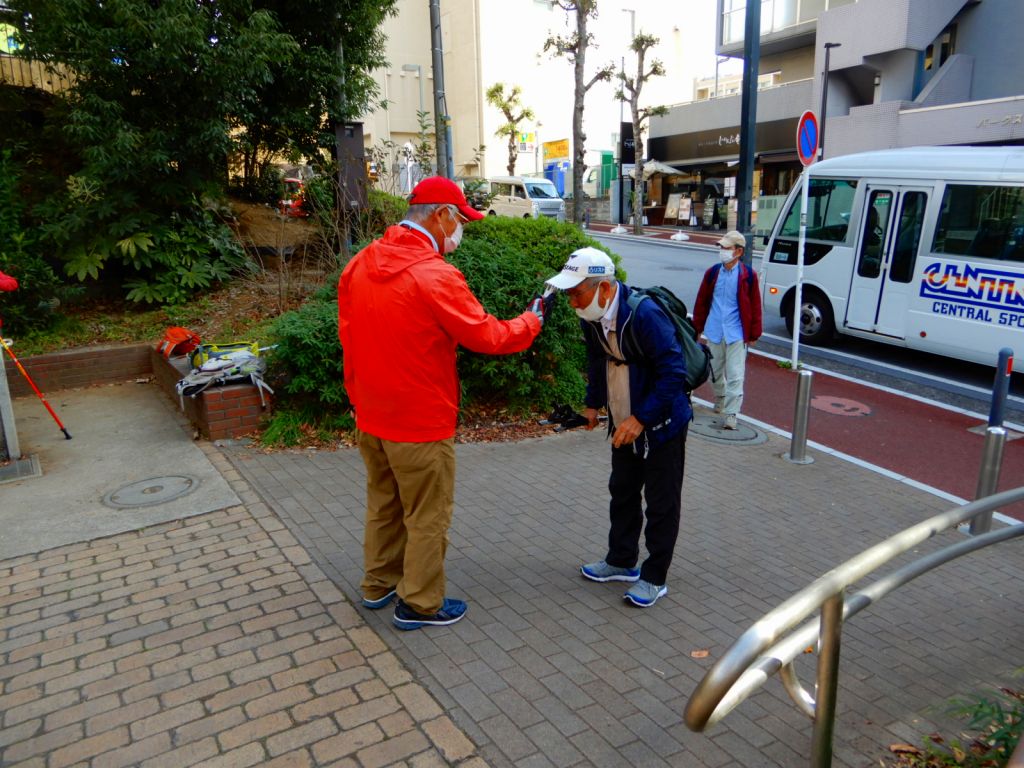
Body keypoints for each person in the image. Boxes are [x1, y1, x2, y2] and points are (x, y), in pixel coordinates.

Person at [337, 176, 548, 631]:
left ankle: (378, 583)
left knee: (384, 504)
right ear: (441, 216)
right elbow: (488, 336)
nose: (461, 231)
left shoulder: (361, 262)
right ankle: (419, 603)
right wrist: (531, 321)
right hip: (421, 422)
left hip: (371, 417)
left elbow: (348, 339)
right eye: (460, 220)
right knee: (428, 514)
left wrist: (357, 401)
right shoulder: (434, 274)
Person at [545, 247, 691, 608]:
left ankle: (655, 576)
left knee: (661, 503)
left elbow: (675, 372)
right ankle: (621, 560)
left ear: (605, 288)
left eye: (576, 293)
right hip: (624, 418)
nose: (572, 302)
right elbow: (597, 359)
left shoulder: (646, 316)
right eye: (568, 294)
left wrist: (642, 419)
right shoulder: (591, 315)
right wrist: (593, 404)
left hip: (662, 422)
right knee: (622, 491)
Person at [692, 230, 763, 430]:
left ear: (738, 251)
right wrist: (697, 327)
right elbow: (702, 302)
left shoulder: (748, 276)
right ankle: (721, 397)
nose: (722, 251)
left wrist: (754, 333)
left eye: (726, 248)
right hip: (714, 330)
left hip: (737, 333)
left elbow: (756, 305)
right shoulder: (712, 273)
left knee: (735, 374)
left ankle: (731, 413)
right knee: (713, 371)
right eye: (721, 248)